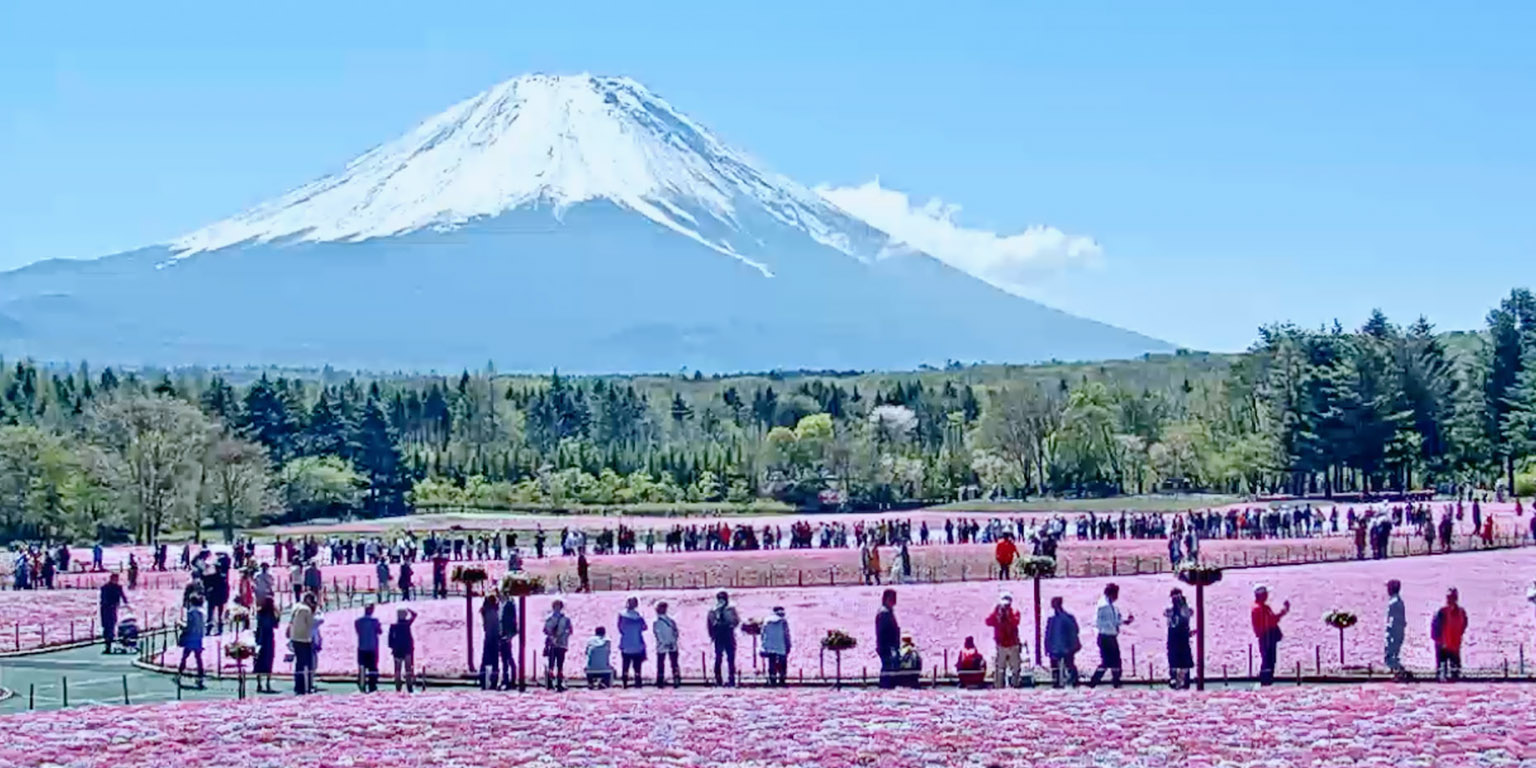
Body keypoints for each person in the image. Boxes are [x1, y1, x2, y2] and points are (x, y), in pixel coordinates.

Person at [1089, 584, 1133, 688]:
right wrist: (1118, 623)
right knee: (1111, 661)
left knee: (1111, 661)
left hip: (1109, 636)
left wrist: (1124, 621)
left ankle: (1103, 681)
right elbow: (1105, 622)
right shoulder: (1104, 606)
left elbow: (1114, 620)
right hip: (1106, 636)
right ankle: (1097, 681)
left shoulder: (1109, 605)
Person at [1251, 585, 1290, 686]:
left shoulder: (1264, 607)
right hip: (1266, 636)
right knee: (1268, 659)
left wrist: (1282, 613)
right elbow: (1270, 621)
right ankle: (1266, 682)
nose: (1267, 595)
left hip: (1268, 636)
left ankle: (1267, 681)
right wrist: (1283, 612)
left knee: (1270, 659)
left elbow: (1271, 620)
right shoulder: (1258, 609)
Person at [984, 592, 1023, 688]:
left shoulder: (1015, 611)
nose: (1006, 606)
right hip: (1001, 644)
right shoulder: (997, 612)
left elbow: (1015, 622)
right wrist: (997, 613)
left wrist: (1008, 615)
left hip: (1013, 644)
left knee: (1015, 667)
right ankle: (999, 685)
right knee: (1000, 668)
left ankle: (1015, 685)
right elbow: (988, 622)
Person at [1431, 587, 1468, 682]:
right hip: (1442, 646)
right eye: (1449, 597)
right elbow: (1435, 630)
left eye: (1452, 597)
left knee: (1455, 672)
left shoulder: (1461, 612)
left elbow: (1463, 626)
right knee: (1442, 672)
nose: (1450, 599)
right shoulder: (1442, 612)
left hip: (1454, 646)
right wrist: (1440, 642)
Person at [1044, 596, 1081, 688]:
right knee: (1066, 665)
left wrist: (1047, 647)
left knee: (1065, 665)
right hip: (1062, 647)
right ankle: (1069, 682)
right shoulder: (1066, 618)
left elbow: (1048, 635)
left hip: (1061, 647)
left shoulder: (1054, 619)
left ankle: (1062, 682)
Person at [707, 590, 741, 686]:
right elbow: (709, 624)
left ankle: (731, 677)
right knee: (719, 657)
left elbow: (737, 621)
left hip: (728, 633)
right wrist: (712, 635)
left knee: (730, 657)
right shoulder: (713, 610)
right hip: (719, 634)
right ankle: (718, 677)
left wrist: (731, 624)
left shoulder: (731, 609)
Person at [1165, 588, 1195, 689]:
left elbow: (1187, 614)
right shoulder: (1170, 610)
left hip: (1182, 639)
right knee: (1174, 661)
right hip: (1174, 639)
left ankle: (1184, 681)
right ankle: (1174, 680)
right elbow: (1172, 621)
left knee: (1184, 663)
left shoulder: (1185, 609)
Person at [617, 596, 649, 688]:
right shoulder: (638, 616)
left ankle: (625, 682)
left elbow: (620, 628)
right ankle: (638, 682)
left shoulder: (622, 615)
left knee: (625, 664)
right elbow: (644, 627)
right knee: (637, 666)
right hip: (637, 643)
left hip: (626, 643)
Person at [290, 592, 318, 695]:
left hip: (295, 638)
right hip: (304, 639)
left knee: (299, 664)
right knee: (308, 664)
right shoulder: (306, 610)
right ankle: (307, 686)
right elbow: (311, 624)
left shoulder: (296, 607)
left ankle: (298, 686)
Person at [177, 595, 207, 689]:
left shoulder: (191, 612)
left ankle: (180, 673)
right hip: (198, 638)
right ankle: (201, 675)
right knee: (198, 658)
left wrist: (181, 624)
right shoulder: (202, 612)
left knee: (185, 656)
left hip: (191, 638)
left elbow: (189, 626)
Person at [544, 599, 573, 691]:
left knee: (558, 664)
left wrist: (553, 637)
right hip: (557, 644)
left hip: (558, 644)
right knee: (553, 664)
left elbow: (545, 631)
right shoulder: (563, 619)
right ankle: (553, 682)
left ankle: (556, 682)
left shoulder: (551, 619)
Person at [876, 588, 901, 689]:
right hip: (887, 647)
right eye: (893, 598)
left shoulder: (887, 611)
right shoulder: (884, 613)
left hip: (887, 646)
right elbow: (884, 632)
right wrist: (891, 646)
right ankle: (885, 687)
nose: (895, 601)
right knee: (888, 669)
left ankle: (885, 686)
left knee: (888, 669)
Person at [354, 603, 383, 692]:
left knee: (362, 666)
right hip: (372, 647)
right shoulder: (375, 621)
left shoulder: (358, 621)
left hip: (362, 646)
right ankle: (372, 685)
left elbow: (358, 631)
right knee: (372, 667)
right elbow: (379, 631)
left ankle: (361, 683)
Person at [389, 607, 418, 692]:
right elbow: (415, 615)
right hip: (407, 649)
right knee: (408, 669)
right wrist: (409, 609)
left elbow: (390, 639)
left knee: (397, 669)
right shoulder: (407, 624)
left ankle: (398, 686)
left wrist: (392, 647)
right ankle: (409, 686)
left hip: (397, 650)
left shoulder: (393, 626)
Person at [254, 597, 279, 693]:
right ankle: (268, 683)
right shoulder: (271, 615)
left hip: (260, 638)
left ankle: (259, 683)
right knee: (268, 660)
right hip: (268, 639)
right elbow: (276, 625)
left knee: (259, 660)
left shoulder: (260, 613)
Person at [761, 606, 791, 687]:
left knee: (772, 663)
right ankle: (782, 680)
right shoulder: (783, 621)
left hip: (770, 646)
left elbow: (763, 634)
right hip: (781, 645)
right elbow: (786, 634)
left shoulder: (767, 620)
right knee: (782, 664)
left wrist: (764, 645)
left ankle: (772, 680)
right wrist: (788, 645)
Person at [654, 601, 681, 688]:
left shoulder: (657, 622)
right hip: (671, 645)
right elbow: (676, 632)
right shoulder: (670, 621)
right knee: (673, 663)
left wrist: (665, 642)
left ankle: (660, 681)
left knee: (661, 664)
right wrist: (672, 642)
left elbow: (658, 634)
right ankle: (676, 679)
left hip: (662, 646)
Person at [100, 572, 128, 654]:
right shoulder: (105, 587)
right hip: (106, 609)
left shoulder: (118, 587)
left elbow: (123, 596)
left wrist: (126, 604)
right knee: (106, 626)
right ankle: (107, 644)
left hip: (113, 608)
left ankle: (109, 644)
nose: (116, 580)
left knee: (111, 626)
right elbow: (103, 598)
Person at [1385, 579, 1407, 679]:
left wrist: (1389, 631)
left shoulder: (1394, 602)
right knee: (1393, 653)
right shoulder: (1399, 601)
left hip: (1394, 631)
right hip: (1398, 630)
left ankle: (1398, 671)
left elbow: (1393, 620)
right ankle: (1396, 671)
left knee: (1390, 654)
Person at [498, 592, 519, 690]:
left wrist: (510, 635)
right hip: (502, 634)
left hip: (506, 634)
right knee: (505, 658)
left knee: (507, 658)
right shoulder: (501, 604)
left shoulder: (509, 605)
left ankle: (510, 679)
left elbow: (512, 621)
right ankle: (507, 679)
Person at [479, 594, 501, 689]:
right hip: (494, 638)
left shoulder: (485, 611)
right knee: (494, 661)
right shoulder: (493, 612)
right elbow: (496, 626)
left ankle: (482, 679)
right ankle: (493, 681)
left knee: (485, 660)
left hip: (488, 638)